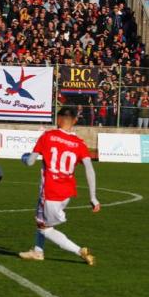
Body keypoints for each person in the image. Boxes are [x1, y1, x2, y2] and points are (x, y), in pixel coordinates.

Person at [18, 107, 99, 264]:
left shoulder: (47, 136)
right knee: (42, 221)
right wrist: (93, 197)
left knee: (44, 227)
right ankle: (37, 252)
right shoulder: (79, 143)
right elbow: (90, 169)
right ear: (75, 121)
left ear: (58, 119)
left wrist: (24, 158)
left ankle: (79, 251)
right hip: (67, 192)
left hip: (50, 190)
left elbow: (30, 162)